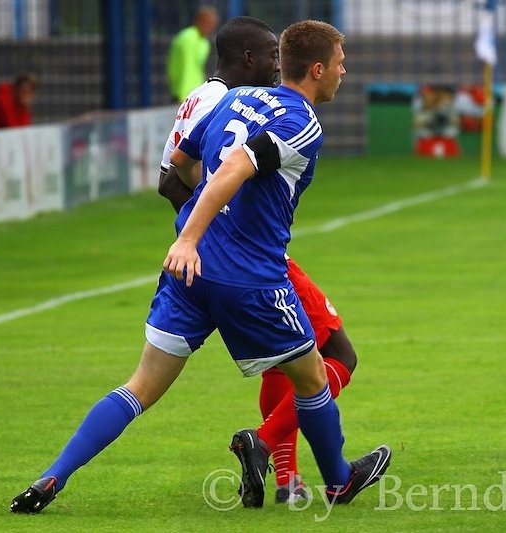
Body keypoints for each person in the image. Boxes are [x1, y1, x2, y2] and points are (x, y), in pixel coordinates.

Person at [9, 19, 389, 515]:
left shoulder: (237, 99)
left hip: (190, 275)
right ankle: (338, 480)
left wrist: (200, 230)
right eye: (341, 63)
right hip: (250, 278)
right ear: (317, 70)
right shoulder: (303, 122)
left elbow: (184, 163)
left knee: (140, 386)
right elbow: (235, 168)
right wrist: (194, 236)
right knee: (316, 375)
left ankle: (50, 477)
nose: (345, 70)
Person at [158, 17, 359, 505]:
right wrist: (202, 231)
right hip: (248, 260)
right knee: (333, 357)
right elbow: (221, 171)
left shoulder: (224, 97)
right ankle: (284, 456)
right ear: (247, 58)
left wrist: (202, 225)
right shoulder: (254, 104)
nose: (274, 64)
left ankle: (292, 478)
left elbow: (175, 171)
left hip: (218, 254)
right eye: (268, 55)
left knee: (291, 359)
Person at [166, 5, 219, 103]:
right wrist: (183, 97)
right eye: (208, 24)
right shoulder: (188, 39)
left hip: (194, 94)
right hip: (184, 95)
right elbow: (186, 69)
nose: (210, 28)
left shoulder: (204, 42)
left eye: (212, 25)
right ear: (199, 21)